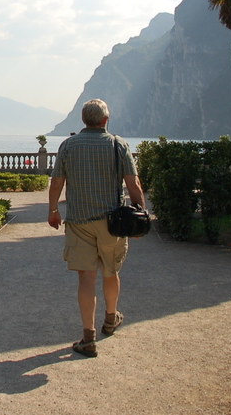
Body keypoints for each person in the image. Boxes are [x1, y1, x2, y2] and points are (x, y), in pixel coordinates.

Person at [47, 99, 147, 358]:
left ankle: (88, 336)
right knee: (111, 272)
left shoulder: (68, 146)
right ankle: (111, 319)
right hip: (113, 223)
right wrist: (141, 214)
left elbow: (57, 182)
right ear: (105, 120)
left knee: (86, 278)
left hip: (79, 222)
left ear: (84, 120)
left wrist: (53, 210)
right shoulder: (118, 144)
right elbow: (132, 183)